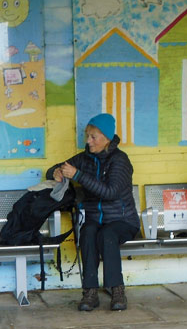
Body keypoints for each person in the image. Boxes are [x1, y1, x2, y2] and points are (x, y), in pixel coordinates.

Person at [46, 113, 140, 311]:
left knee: (107, 234)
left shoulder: (120, 161)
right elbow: (58, 168)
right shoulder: (84, 158)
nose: (88, 141)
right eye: (87, 136)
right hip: (95, 219)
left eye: (93, 137)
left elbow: (110, 192)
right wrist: (55, 172)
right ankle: (90, 292)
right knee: (88, 233)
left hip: (122, 220)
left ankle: (117, 290)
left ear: (106, 138)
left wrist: (78, 175)